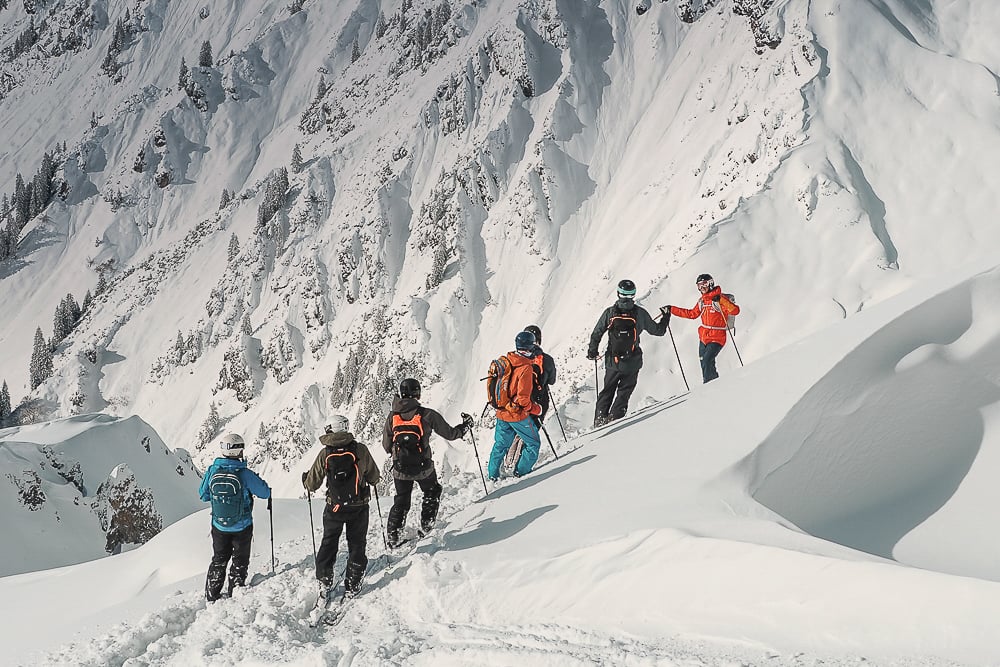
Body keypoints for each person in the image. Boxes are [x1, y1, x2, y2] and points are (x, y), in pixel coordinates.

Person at [382, 378, 473, 547]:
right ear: (417, 393)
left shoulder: (392, 417)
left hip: (400, 469)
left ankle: (394, 538)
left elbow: (386, 445)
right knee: (432, 491)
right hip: (423, 467)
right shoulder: (427, 414)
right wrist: (465, 427)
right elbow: (451, 434)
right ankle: (427, 527)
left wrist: (399, 454)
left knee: (401, 501)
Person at [302, 415, 380, 596]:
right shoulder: (360, 450)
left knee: (329, 542)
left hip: (334, 507)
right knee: (357, 543)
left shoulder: (326, 453)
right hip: (358, 506)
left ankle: (324, 579)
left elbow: (312, 484)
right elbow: (374, 477)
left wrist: (305, 479)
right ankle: (354, 582)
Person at [199, 433, 272, 602]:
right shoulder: (244, 474)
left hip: (218, 525)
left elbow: (203, 495)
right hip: (243, 525)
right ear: (239, 450)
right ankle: (235, 593)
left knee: (219, 559)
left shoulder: (212, 470)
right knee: (240, 560)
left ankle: (212, 595)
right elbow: (264, 492)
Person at [587, 279, 669, 426]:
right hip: (632, 362)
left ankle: (599, 420)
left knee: (607, 391)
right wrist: (666, 317)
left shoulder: (610, 313)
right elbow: (659, 331)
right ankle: (615, 419)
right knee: (624, 393)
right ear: (633, 294)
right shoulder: (640, 313)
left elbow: (597, 333)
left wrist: (592, 351)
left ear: (618, 293)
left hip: (613, 362)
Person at [487, 331, 543, 480]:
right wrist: (536, 409)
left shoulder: (507, 360)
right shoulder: (525, 368)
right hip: (517, 415)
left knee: (500, 445)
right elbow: (523, 399)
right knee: (533, 444)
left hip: (501, 411)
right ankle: (521, 472)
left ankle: (492, 476)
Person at [665, 273, 740, 383]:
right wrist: (671, 309)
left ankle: (709, 386)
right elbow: (691, 314)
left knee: (707, 360)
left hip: (717, 337)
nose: (701, 288)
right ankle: (713, 383)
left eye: (704, 284)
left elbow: (735, 311)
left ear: (710, 283)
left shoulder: (720, 298)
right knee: (704, 363)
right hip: (704, 337)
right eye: (699, 286)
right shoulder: (702, 301)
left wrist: (721, 300)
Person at [523, 324, 557, 423]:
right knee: (534, 427)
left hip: (519, 400)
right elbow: (552, 381)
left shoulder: (517, 358)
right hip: (539, 400)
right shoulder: (547, 359)